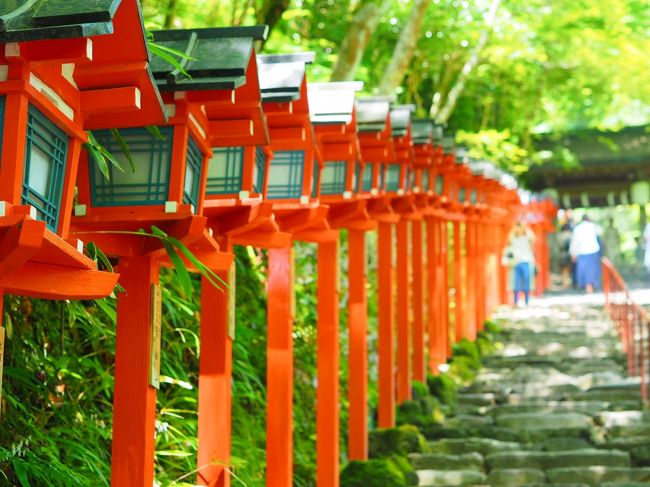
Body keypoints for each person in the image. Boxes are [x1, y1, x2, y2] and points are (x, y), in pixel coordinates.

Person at [569, 215, 601, 293]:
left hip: (582, 251)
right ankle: (592, 285)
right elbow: (599, 233)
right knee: (593, 270)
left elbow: (574, 242)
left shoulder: (577, 228)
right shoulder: (593, 226)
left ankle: (587, 286)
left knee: (584, 270)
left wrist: (573, 253)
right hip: (593, 250)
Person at [507, 221, 536, 306]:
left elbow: (533, 238)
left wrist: (526, 228)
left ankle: (527, 300)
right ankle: (516, 301)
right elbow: (508, 238)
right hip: (516, 262)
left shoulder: (527, 237)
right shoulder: (513, 238)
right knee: (515, 282)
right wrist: (514, 227)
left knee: (526, 281)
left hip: (526, 261)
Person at [558, 221, 573, 288]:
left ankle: (564, 283)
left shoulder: (560, 235)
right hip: (569, 253)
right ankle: (568, 282)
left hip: (562, 254)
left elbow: (558, 245)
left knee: (564, 269)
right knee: (569, 268)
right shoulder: (571, 234)